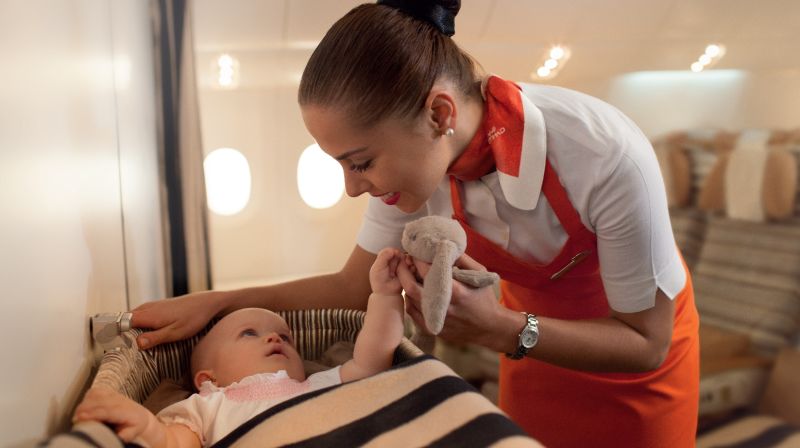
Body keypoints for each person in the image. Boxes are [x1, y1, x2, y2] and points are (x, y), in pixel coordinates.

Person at [131, 1, 700, 446]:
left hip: (635, 363)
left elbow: (644, 343)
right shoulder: (415, 170)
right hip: (535, 352)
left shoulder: (603, 155)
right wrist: (218, 302)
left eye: (360, 162)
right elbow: (351, 289)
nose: (354, 187)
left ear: (439, 114)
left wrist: (501, 329)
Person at [73, 248, 406, 447]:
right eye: (250, 334)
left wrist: (386, 296)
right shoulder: (208, 406)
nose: (274, 338)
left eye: (285, 337)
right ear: (208, 378)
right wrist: (146, 427)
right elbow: (174, 442)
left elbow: (373, 360)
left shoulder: (316, 385)